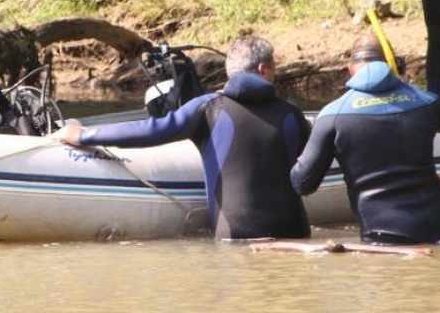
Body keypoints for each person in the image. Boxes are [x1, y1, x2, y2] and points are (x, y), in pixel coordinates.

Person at [52, 35, 312, 240]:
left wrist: (85, 135)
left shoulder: (208, 108)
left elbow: (150, 130)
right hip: (296, 234)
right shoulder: (292, 115)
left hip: (236, 239)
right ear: (264, 69)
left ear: (231, 72)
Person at [290, 34, 440, 245]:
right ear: (389, 64)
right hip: (436, 225)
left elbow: (302, 183)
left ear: (350, 69)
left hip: (380, 234)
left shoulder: (333, 115)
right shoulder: (425, 101)